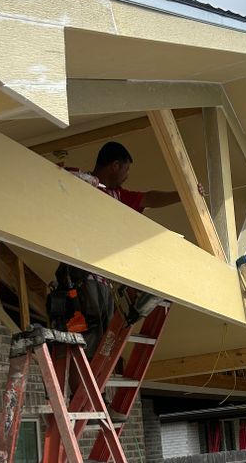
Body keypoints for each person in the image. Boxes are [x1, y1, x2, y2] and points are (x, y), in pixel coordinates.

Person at [50, 142, 179, 353]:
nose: (127, 175)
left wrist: (182, 194)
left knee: (101, 339)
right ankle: (82, 386)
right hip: (80, 273)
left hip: (103, 279)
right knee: (86, 336)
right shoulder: (82, 181)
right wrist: (72, 177)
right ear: (115, 165)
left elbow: (150, 197)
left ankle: (90, 385)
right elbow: (53, 178)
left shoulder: (118, 195)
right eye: (126, 169)